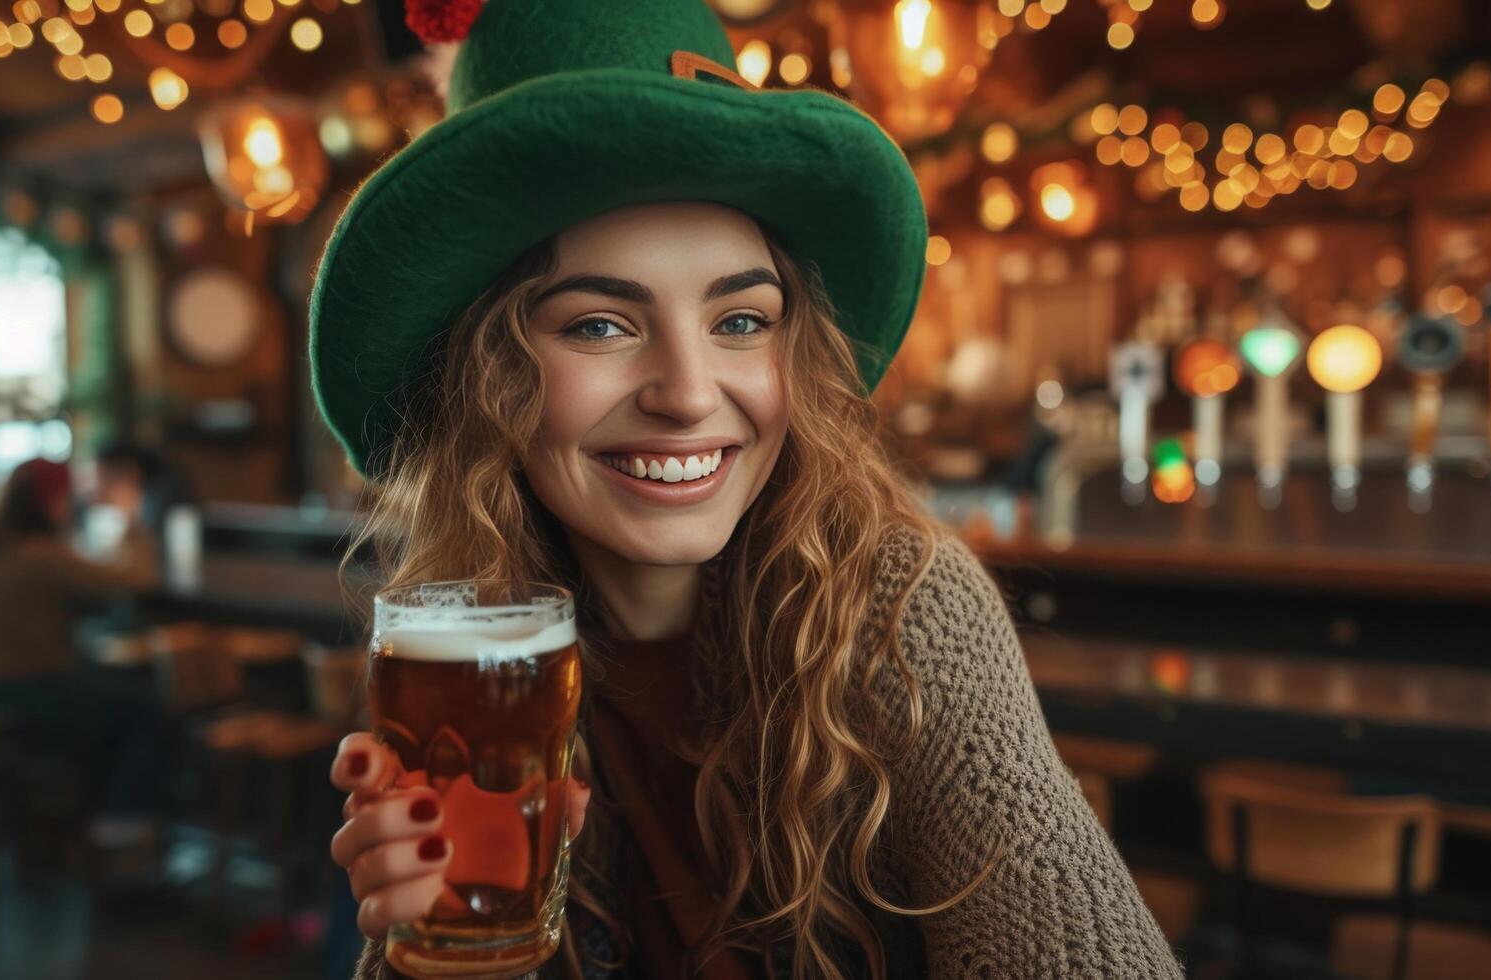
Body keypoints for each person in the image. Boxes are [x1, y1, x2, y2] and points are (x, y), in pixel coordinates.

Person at [311, 1, 1183, 977]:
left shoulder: (900, 603)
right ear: (486, 376)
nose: (689, 394)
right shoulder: (467, 657)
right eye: (599, 324)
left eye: (740, 320)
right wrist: (437, 961)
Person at [0, 457, 171, 846]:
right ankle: (120, 827)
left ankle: (75, 820)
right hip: (15, 690)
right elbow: (137, 579)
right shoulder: (40, 553)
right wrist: (132, 517)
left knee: (109, 690)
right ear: (51, 501)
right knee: (146, 707)